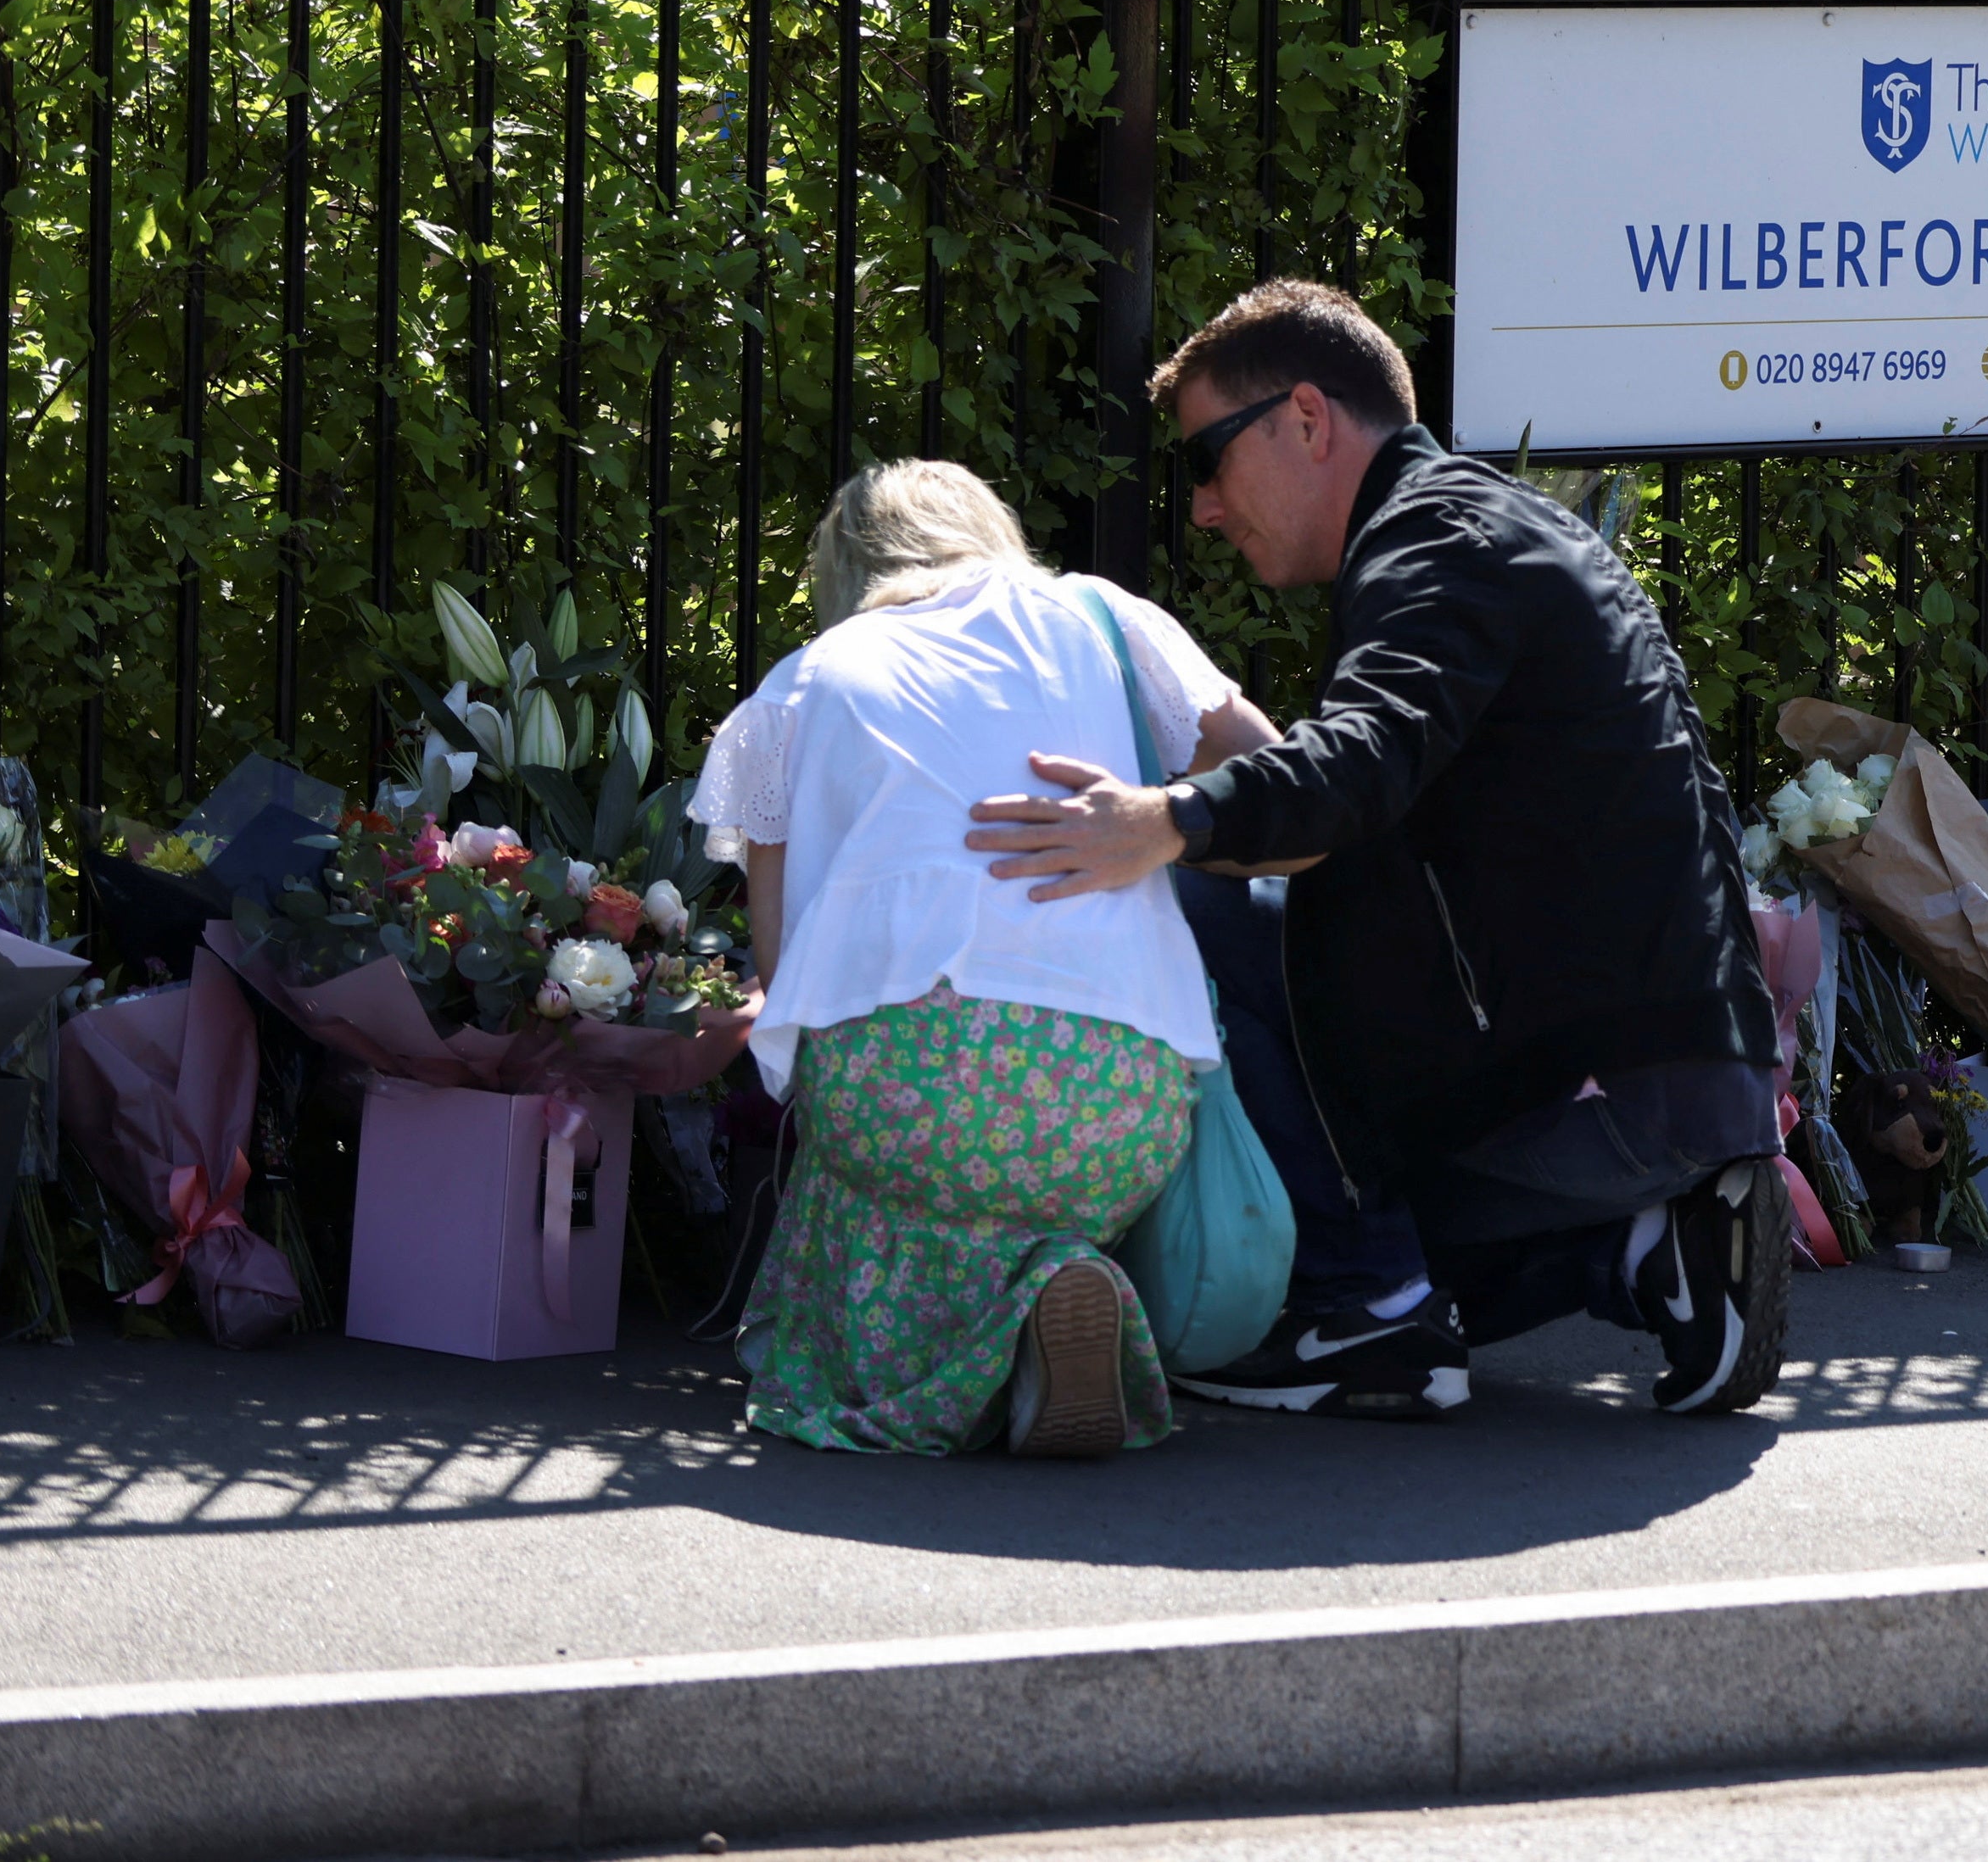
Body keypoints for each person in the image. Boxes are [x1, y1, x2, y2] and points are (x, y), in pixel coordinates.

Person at [963, 277, 1790, 1422]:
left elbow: (1362, 753)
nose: (1201, 506)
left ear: (1308, 418)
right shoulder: (1501, 522)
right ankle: (1643, 1251)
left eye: (1208, 457)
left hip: (1582, 1075)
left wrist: (1162, 821)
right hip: (1672, 1072)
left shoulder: (1435, 536)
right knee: (1396, 1238)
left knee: (1191, 905)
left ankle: (1366, 1305)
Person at [693, 460, 1281, 1459]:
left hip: (911, 1091)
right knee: (1002, 1179)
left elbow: (782, 962)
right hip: (1123, 1098)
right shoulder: (1103, 616)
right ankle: (1053, 1280)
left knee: (858, 1161)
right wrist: (1153, 826)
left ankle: (991, 1346)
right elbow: (1269, 773)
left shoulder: (806, 681)